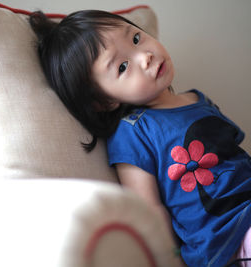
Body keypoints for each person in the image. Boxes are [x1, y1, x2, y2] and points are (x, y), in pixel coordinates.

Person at [29, 10, 251, 267]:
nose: (145, 57)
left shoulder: (197, 99)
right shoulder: (134, 131)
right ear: (105, 101)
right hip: (225, 240)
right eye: (122, 67)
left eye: (136, 39)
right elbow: (149, 211)